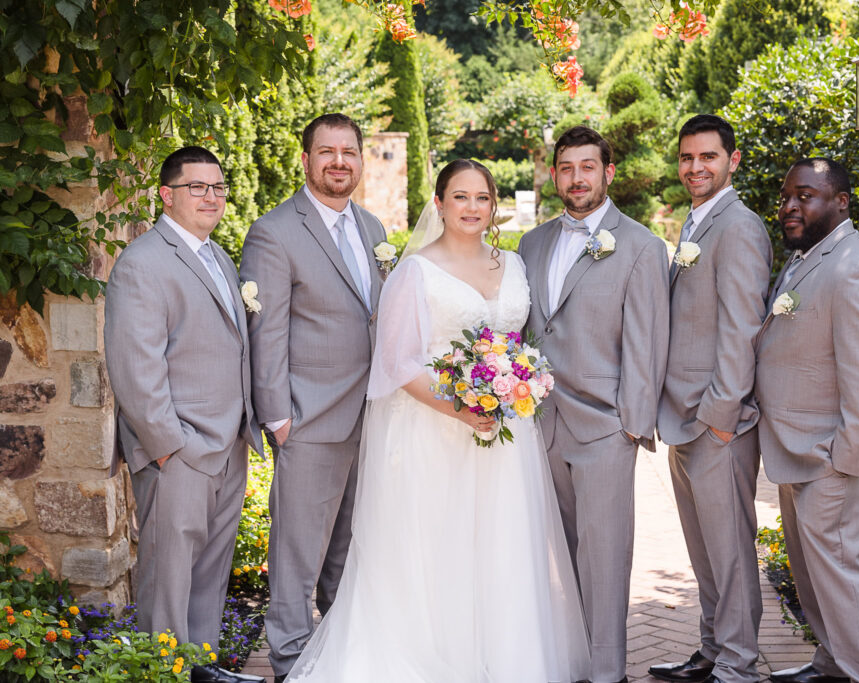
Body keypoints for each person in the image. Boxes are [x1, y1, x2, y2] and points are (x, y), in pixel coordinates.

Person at [285, 159, 590, 682]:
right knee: (440, 548)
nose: (472, 208)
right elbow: (397, 364)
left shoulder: (512, 265)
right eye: (461, 197)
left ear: (494, 207)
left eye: (482, 199)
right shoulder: (415, 272)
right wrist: (465, 409)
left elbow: (516, 346)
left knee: (501, 548)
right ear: (439, 204)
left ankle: (502, 659)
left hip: (503, 438)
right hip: (434, 432)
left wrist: (518, 384)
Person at [104, 146, 265, 683]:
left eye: (218, 187)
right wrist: (170, 446)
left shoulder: (218, 257)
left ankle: (201, 669)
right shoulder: (143, 263)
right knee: (168, 577)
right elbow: (134, 369)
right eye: (197, 187)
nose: (211, 197)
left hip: (228, 444)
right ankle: (162, 673)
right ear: (167, 195)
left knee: (209, 573)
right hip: (180, 450)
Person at [518, 125, 670, 683]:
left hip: (605, 427)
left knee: (604, 561)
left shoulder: (641, 246)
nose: (576, 178)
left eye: (588, 167)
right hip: (541, 423)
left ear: (608, 173)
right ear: (554, 174)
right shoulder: (532, 243)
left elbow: (647, 342)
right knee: (557, 555)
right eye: (566, 167)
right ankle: (570, 660)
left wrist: (631, 425)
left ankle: (606, 672)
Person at [239, 114, 387, 682]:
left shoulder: (373, 229)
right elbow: (267, 330)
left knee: (347, 552)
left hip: (368, 418)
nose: (339, 162)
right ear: (306, 160)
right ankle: (291, 662)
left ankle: (336, 654)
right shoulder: (275, 231)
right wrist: (278, 416)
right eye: (327, 152)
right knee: (297, 556)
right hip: (306, 419)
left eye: (348, 151)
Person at [756, 158, 859, 683]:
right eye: (786, 197)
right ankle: (833, 664)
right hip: (801, 446)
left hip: (834, 456)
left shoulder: (855, 270)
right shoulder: (809, 257)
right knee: (812, 570)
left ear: (841, 202)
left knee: (843, 572)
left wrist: (843, 463)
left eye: (806, 196)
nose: (791, 207)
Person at [649, 115, 772, 683]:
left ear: (733, 160)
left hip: (715, 423)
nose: (696, 168)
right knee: (702, 552)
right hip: (684, 418)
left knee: (729, 553)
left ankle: (740, 664)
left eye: (708, 158)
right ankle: (711, 649)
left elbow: (742, 328)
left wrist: (720, 420)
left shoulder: (739, 227)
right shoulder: (696, 226)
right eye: (687, 158)